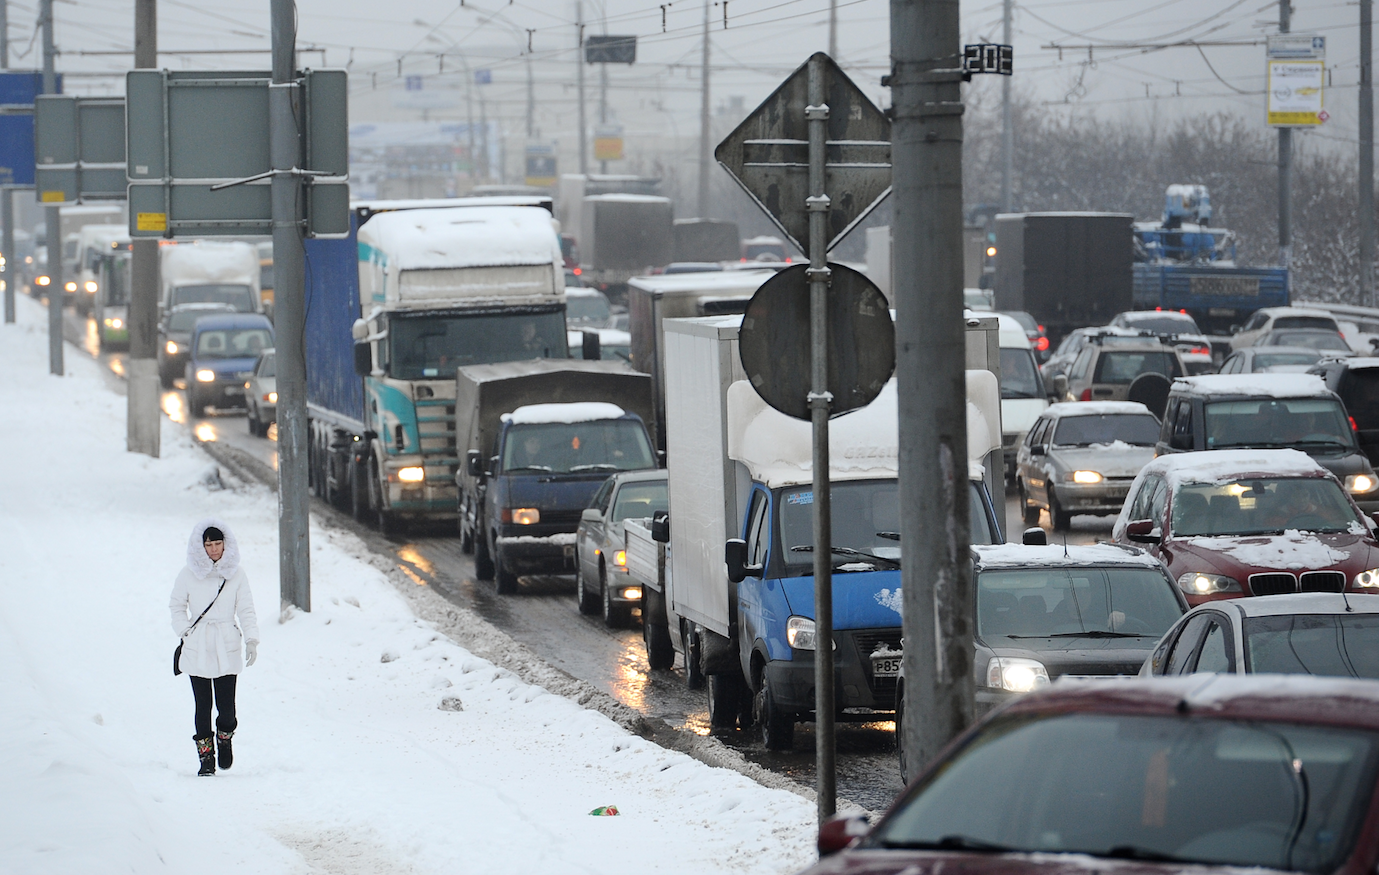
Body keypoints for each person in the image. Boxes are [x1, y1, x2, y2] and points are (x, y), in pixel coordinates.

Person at [169, 519, 260, 776]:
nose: (213, 549)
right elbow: (176, 606)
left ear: (225, 544)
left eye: (218, 543)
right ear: (201, 546)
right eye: (208, 544)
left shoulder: (237, 574)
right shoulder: (188, 574)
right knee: (202, 705)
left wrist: (251, 638)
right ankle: (205, 759)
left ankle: (225, 737)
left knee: (227, 706)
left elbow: (246, 608)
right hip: (197, 644)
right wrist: (184, 630)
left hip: (226, 643)